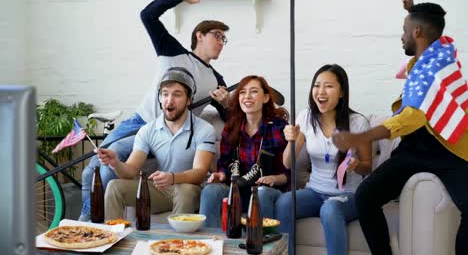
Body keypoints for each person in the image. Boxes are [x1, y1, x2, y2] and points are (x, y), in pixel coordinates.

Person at [332, 0, 468, 255]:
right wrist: (412, 12)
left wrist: (364, 137)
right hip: (413, 149)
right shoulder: (438, 51)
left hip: (449, 150)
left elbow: (411, 116)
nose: (401, 36)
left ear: (417, 31)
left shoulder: (434, 67)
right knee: (365, 197)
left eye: (405, 30)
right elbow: (427, 31)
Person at [78, 0, 230, 221]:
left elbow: (229, 119)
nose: (221, 42)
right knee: (95, 168)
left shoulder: (217, 80)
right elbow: (148, 15)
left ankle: (90, 224)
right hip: (140, 124)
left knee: (107, 166)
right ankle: (87, 221)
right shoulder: (174, 52)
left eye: (224, 39)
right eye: (217, 36)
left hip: (171, 132)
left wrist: (226, 103)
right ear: (199, 35)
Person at [275, 64, 372, 255]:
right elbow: (288, 163)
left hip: (348, 195)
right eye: (317, 85)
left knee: (330, 209)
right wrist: (290, 140)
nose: (321, 91)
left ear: (342, 92)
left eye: (328, 86)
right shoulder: (306, 118)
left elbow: (368, 167)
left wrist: (356, 165)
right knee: (284, 203)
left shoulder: (358, 122)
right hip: (315, 192)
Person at [96, 67, 217, 219]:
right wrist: (116, 163)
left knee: (184, 191)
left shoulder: (204, 129)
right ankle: (113, 237)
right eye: (165, 94)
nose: (169, 100)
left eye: (177, 94)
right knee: (114, 186)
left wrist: (172, 177)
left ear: (189, 100)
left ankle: (177, 242)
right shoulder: (147, 130)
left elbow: (199, 173)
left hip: (189, 189)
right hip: (160, 189)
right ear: (160, 98)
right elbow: (131, 170)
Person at [199, 75, 290, 227]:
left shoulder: (278, 127)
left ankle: (260, 245)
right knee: (210, 191)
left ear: (266, 98)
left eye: (254, 91)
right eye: (242, 92)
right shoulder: (232, 126)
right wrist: (220, 174)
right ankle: (212, 244)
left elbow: (287, 173)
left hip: (268, 191)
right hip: (237, 190)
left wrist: (274, 178)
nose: (247, 96)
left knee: (261, 193)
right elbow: (224, 164)